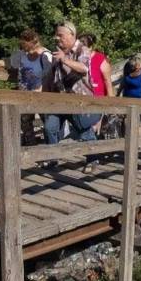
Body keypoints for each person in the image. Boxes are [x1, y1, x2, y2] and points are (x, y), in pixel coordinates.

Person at [43, 22, 101, 171]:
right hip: (59, 99)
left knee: (83, 131)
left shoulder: (82, 50)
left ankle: (93, 159)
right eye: (56, 35)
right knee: (50, 127)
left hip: (78, 101)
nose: (57, 38)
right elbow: (53, 76)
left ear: (72, 35)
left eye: (60, 35)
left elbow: (83, 68)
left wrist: (64, 59)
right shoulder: (59, 51)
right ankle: (52, 158)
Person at [4, 28, 52, 145]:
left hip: (40, 92)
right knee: (25, 120)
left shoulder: (46, 54)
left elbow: (49, 73)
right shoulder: (22, 53)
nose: (21, 45)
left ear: (31, 41)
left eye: (23, 43)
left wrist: (41, 88)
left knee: (47, 118)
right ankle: (30, 143)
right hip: (25, 91)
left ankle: (50, 143)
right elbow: (10, 62)